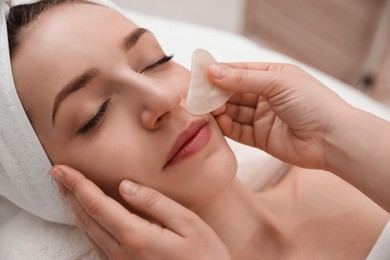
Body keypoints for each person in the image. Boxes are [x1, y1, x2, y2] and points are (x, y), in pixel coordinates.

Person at [6, 0, 389, 259]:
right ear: (49, 184)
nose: (162, 100)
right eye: (97, 114)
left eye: (155, 61)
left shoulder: (347, 169)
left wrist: (339, 135)